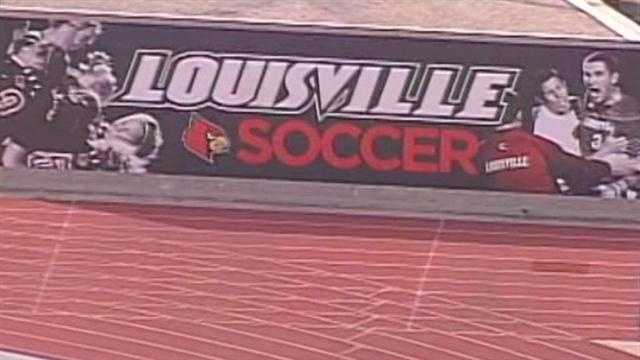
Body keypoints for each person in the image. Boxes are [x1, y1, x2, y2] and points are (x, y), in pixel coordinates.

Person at [478, 119, 638, 195]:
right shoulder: (529, 142)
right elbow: (578, 172)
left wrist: (602, 153)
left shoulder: (483, 149)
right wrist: (609, 166)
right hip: (547, 210)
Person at [579, 51, 640, 158]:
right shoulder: (583, 104)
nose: (591, 81)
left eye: (599, 74)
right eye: (587, 75)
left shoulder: (632, 114)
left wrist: (605, 152)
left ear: (614, 78)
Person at [529, 69, 582, 156]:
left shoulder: (580, 106)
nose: (558, 95)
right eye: (550, 93)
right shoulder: (543, 125)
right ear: (541, 100)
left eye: (559, 88)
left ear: (565, 85)